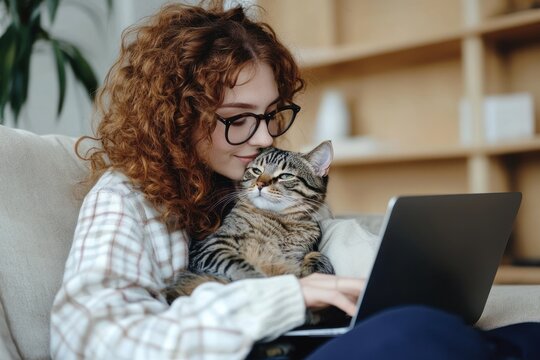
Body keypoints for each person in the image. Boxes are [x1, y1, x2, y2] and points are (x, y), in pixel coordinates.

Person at [50, 2, 540, 359]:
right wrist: (287, 296)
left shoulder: (247, 180)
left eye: (271, 114)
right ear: (178, 116)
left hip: (301, 342)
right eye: (239, 119)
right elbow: (87, 339)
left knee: (527, 334)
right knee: (412, 334)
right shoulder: (126, 197)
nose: (264, 137)